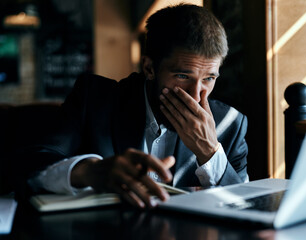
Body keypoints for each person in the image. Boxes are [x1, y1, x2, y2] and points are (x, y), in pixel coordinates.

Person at [24, 4, 248, 208]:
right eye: (182, 75)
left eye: (209, 78)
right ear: (149, 68)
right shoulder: (94, 99)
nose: (196, 95)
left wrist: (209, 153)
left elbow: (244, 207)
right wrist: (90, 171)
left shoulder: (230, 124)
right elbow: (31, 167)